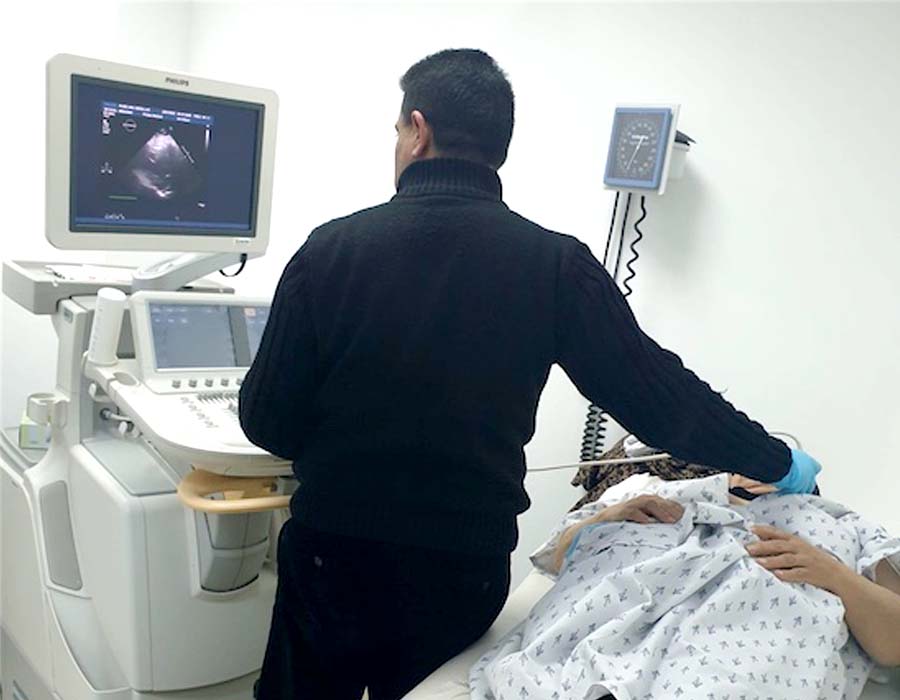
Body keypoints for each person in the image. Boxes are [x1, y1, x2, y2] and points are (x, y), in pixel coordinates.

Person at [239, 48, 822, 700]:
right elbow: (662, 400)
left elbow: (266, 420)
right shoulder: (555, 266)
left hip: (333, 559)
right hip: (460, 572)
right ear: (498, 149)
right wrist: (774, 459)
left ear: (418, 129)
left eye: (398, 128)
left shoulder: (330, 251)